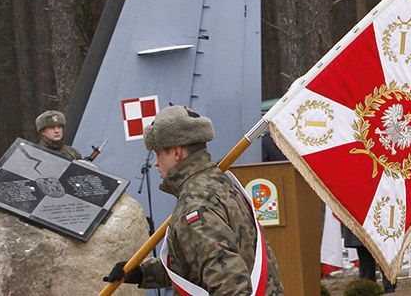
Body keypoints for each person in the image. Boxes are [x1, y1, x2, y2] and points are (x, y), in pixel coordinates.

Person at [103, 105, 284, 294]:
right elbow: (196, 261)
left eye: (158, 153)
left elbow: (228, 283)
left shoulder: (195, 205)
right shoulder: (219, 183)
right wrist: (141, 273)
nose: (156, 163)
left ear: (176, 152)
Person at [343, 226, 396, 293]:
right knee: (366, 262)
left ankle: (389, 289)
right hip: (361, 224)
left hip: (379, 224)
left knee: (384, 258)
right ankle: (368, 289)